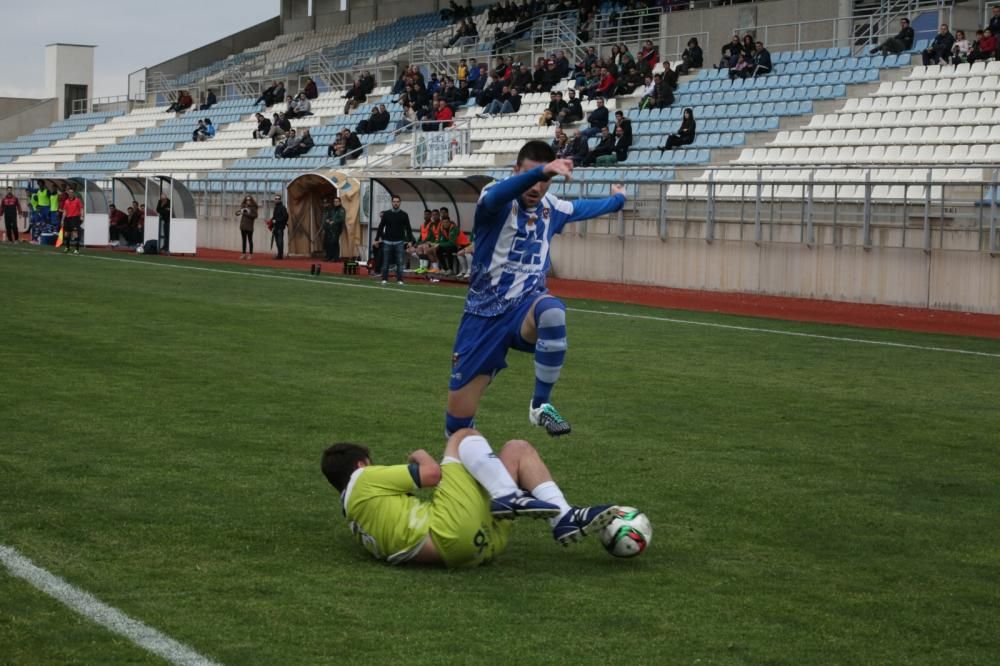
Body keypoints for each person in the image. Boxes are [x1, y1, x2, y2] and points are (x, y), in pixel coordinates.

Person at [445, 141, 627, 438]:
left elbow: (585, 207)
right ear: (515, 171)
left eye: (545, 180)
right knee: (458, 424)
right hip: (483, 317)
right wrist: (541, 171)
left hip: (524, 309)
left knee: (553, 311)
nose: (537, 186)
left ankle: (540, 405)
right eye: (530, 176)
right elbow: (499, 195)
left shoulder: (551, 208)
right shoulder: (495, 197)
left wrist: (618, 200)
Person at [320, 428, 619, 567]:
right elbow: (431, 475)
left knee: (517, 449)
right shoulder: (363, 479)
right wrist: (419, 455)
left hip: (475, 550)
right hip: (450, 532)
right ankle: (508, 496)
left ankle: (563, 516)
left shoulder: (357, 520)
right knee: (462, 436)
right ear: (361, 464)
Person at [373, 195, 416, 285]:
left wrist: (410, 241)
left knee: (400, 262)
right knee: (386, 262)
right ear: (392, 202)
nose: (396, 203)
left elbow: (408, 228)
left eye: (397, 201)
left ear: (400, 203)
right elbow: (381, 226)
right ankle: (384, 279)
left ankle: (400, 280)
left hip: (399, 241)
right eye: (394, 201)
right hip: (387, 241)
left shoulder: (404, 215)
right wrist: (376, 239)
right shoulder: (387, 214)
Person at [321, 197, 346, 262]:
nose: (335, 202)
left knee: (334, 242)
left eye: (337, 201)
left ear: (340, 202)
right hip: (330, 229)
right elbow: (329, 217)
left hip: (337, 229)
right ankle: (329, 257)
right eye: (334, 201)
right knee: (328, 243)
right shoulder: (332, 210)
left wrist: (334, 221)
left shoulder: (341, 210)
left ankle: (335, 258)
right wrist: (328, 220)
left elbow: (341, 219)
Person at [61, 187, 84, 254]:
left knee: (75, 234)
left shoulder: (77, 200)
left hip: (75, 218)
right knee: (66, 234)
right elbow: (65, 211)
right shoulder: (66, 201)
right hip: (67, 218)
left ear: (73, 193)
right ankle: (67, 247)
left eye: (72, 192)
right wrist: (62, 220)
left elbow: (81, 208)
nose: (71, 193)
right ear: (68, 193)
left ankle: (77, 249)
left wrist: (82, 216)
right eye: (69, 192)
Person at [269, 193, 289, 260]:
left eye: (278, 199)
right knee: (277, 241)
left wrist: (277, 220)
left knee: (280, 241)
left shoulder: (282, 208)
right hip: (276, 227)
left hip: (280, 227)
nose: (276, 200)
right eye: (275, 199)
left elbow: (285, 216)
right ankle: (279, 254)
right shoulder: (276, 208)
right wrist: (271, 220)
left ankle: (280, 254)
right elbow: (275, 216)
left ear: (280, 200)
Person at [237, 195, 257, 260]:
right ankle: (243, 253)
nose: (248, 201)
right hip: (243, 226)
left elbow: (254, 216)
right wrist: (239, 212)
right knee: (244, 240)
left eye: (249, 200)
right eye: (247, 200)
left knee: (250, 240)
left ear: (251, 200)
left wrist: (246, 213)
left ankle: (250, 254)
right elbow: (238, 213)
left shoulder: (253, 208)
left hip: (249, 226)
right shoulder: (243, 206)